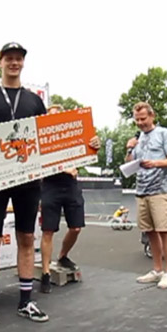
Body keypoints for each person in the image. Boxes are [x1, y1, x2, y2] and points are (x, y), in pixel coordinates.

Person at [0, 42, 51, 332]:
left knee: (27, 237)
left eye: (19, 59)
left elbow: (47, 140)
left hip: (28, 178)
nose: (14, 63)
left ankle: (26, 301)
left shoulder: (34, 101)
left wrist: (83, 146)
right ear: (0, 62)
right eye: (9, 59)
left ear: (23, 63)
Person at [38, 104, 99, 293]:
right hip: (50, 185)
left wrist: (95, 143)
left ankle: (63, 256)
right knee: (48, 230)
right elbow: (37, 162)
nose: (54, 118)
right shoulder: (41, 138)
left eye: (57, 115)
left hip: (71, 185)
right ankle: (46, 273)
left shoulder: (72, 135)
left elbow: (90, 148)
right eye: (50, 116)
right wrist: (61, 168)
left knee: (76, 227)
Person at [125, 101, 167, 289]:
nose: (140, 123)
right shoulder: (138, 138)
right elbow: (129, 165)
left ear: (152, 116)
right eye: (137, 120)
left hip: (160, 190)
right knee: (150, 232)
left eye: (143, 119)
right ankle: (156, 270)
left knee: (164, 230)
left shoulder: (164, 134)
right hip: (142, 189)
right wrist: (129, 148)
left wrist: (155, 163)